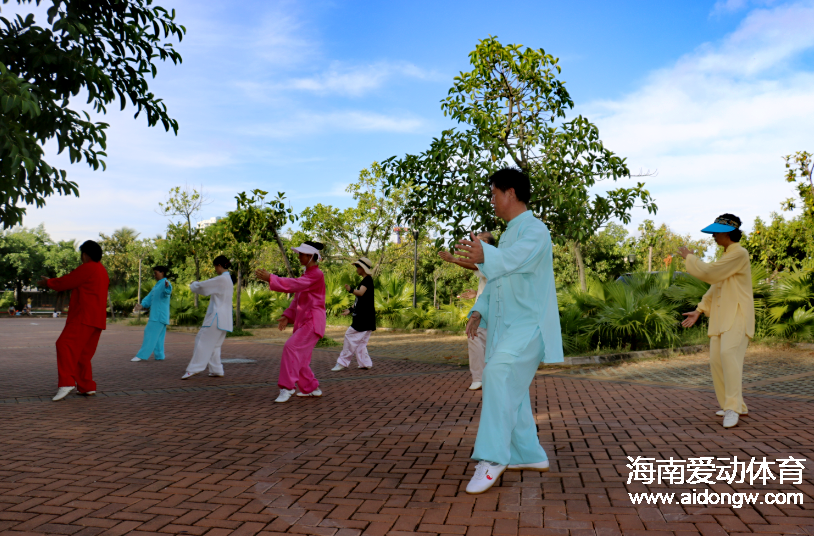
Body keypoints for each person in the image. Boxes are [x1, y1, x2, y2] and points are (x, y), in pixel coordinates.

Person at [454, 167, 563, 495]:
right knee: (509, 391)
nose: (491, 200)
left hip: (530, 326)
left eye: (493, 193)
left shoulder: (535, 231)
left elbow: (511, 260)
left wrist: (485, 254)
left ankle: (493, 457)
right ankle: (530, 454)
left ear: (510, 193)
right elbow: (499, 278)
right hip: (508, 326)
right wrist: (479, 310)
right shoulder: (511, 233)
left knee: (499, 374)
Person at [678, 214, 754, 429]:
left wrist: (690, 258)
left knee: (729, 356)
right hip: (722, 317)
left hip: (738, 315)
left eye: (716, 232)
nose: (713, 236)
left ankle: (732, 408)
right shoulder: (727, 256)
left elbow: (710, 274)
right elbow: (716, 286)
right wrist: (699, 310)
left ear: (728, 233)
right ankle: (735, 404)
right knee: (717, 360)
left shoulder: (739, 253)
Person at [36, 240, 110, 401]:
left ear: (85, 254)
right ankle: (87, 386)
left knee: (64, 345)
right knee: (82, 355)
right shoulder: (102, 270)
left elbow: (66, 282)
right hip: (96, 319)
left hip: (84, 316)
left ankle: (66, 383)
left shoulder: (88, 268)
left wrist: (47, 282)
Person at [255, 241, 326, 403]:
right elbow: (298, 296)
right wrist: (288, 315)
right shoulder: (307, 275)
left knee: (291, 348)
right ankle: (311, 388)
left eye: (301, 254)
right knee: (298, 356)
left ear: (310, 256)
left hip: (313, 321)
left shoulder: (316, 274)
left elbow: (294, 285)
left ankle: (287, 388)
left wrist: (271, 278)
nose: (299, 256)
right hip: (306, 321)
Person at [439, 232, 495, 390]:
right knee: (482, 341)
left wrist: (454, 260)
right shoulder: (492, 261)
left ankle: (479, 378)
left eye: (480, 240)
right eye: (474, 240)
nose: (475, 243)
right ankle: (485, 377)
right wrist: (476, 294)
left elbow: (474, 266)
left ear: (488, 244)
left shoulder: (492, 259)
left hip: (486, 310)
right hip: (487, 307)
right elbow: (489, 284)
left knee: (474, 336)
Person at [182, 256, 234, 379]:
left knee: (202, 341)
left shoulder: (221, 279)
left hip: (216, 318)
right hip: (225, 320)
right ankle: (217, 370)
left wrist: (193, 284)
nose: (215, 269)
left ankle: (194, 369)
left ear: (219, 266)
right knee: (214, 345)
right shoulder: (228, 279)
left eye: (215, 266)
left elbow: (202, 287)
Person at [331, 257, 376, 372]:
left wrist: (350, 289)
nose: (356, 269)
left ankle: (342, 362)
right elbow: (359, 301)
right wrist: (350, 310)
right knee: (361, 342)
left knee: (349, 336)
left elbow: (360, 293)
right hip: (367, 318)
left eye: (357, 267)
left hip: (363, 318)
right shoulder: (365, 281)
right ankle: (365, 363)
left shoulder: (367, 280)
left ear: (363, 268)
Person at [131, 265, 173, 362]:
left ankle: (141, 355)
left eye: (156, 273)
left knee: (149, 332)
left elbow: (167, 292)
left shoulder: (166, 283)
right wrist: (141, 305)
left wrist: (167, 287)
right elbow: (149, 297)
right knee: (158, 337)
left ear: (162, 272)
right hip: (158, 316)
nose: (154, 275)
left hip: (158, 316)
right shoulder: (158, 285)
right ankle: (159, 355)